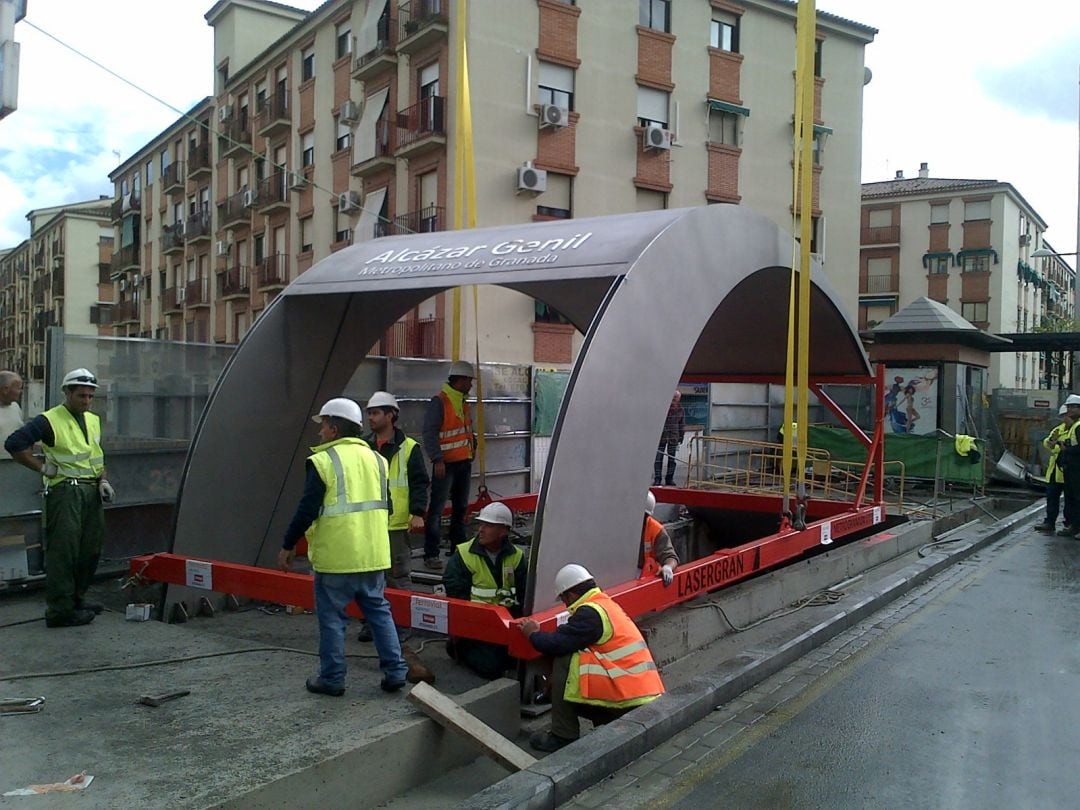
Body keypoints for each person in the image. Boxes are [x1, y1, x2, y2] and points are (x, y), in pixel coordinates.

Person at [278, 397, 408, 697]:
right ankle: (395, 672)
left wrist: (287, 545)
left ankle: (333, 679)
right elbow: (384, 506)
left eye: (323, 425)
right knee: (379, 613)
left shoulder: (323, 461)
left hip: (337, 558)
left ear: (334, 429)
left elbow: (306, 508)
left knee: (332, 620)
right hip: (373, 554)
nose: (320, 432)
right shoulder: (377, 459)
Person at [5, 368, 113, 627]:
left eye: (90, 396)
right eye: (81, 396)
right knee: (64, 552)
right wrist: (42, 468)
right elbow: (14, 444)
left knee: (90, 550)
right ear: (67, 393)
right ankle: (60, 611)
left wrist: (104, 479)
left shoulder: (93, 419)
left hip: (91, 490)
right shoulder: (49, 420)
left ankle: (77, 598)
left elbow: (96, 454)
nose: (86, 402)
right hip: (66, 491)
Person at [518, 563, 665, 752]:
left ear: (570, 595)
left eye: (564, 600)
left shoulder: (590, 613)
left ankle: (562, 735)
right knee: (576, 656)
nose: (565, 605)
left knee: (566, 659)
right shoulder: (603, 604)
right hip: (641, 694)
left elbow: (555, 644)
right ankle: (608, 718)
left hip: (630, 699)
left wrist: (532, 634)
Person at [356, 390, 430, 642]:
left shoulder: (409, 448)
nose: (371, 418)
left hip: (395, 524)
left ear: (391, 415)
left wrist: (417, 513)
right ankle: (370, 623)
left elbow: (420, 482)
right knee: (367, 576)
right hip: (369, 523)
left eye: (375, 413)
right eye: (369, 413)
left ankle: (402, 624)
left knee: (398, 576)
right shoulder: (363, 446)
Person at [443, 501, 528, 679]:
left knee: (519, 660)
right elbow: (456, 595)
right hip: (476, 625)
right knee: (492, 668)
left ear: (503, 531)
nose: (480, 529)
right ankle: (458, 647)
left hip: (507, 623)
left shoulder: (517, 557)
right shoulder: (464, 554)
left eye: (487, 526)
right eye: (480, 524)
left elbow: (523, 594)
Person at [421, 360, 477, 570]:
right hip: (446, 465)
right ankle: (431, 554)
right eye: (469, 381)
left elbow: (464, 430)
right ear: (460, 380)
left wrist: (472, 447)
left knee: (460, 508)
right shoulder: (441, 401)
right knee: (436, 509)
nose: (471, 385)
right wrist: (437, 459)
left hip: (462, 462)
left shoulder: (462, 401)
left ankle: (458, 550)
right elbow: (430, 432)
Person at [1038, 404, 1073, 534]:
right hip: (1055, 471)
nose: (1065, 419)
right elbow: (1047, 442)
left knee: (1070, 500)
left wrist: (1057, 445)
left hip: (1068, 471)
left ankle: (1069, 524)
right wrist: (1052, 441)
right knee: (1052, 497)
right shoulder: (1058, 429)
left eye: (1067, 416)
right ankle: (1049, 522)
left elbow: (1068, 447)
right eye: (1063, 417)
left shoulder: (1074, 429)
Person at [642, 491, 679, 586]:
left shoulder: (656, 530)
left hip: (647, 576)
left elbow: (670, 557)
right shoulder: (623, 526)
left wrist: (668, 567)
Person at [654, 390, 685, 486]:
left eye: (676, 398)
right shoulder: (663, 407)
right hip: (661, 437)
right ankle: (657, 479)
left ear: (679, 399)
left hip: (673, 437)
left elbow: (682, 424)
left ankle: (669, 478)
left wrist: (681, 437)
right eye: (673, 398)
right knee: (658, 459)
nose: (674, 400)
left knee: (672, 459)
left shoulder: (681, 409)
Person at [0, 370, 24, 460]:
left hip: (15, 465)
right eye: (18, 388)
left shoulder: (15, 407)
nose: (21, 392)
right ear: (5, 389)